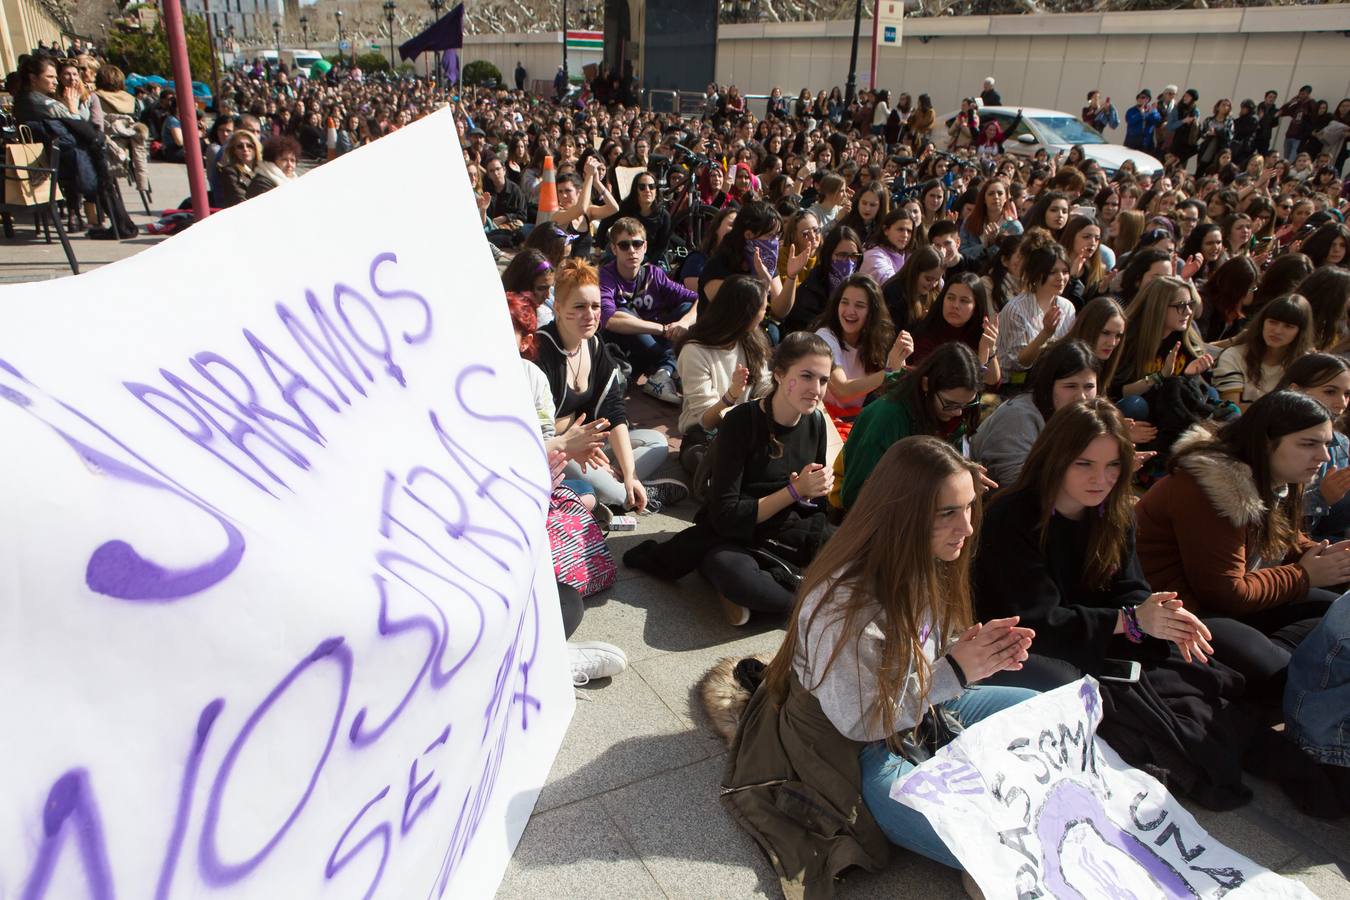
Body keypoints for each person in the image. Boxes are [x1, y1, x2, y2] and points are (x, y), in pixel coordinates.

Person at [721, 437, 1034, 896]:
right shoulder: (844, 601)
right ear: (901, 512)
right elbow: (860, 721)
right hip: (851, 746)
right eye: (947, 512)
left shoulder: (927, 558)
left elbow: (925, 646)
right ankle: (980, 858)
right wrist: (957, 672)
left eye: (969, 507)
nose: (966, 527)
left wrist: (974, 650)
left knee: (1034, 707)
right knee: (981, 834)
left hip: (914, 706)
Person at [976, 399, 1213, 691]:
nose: (1100, 479)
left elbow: (1129, 586)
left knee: (1207, 662)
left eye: (1113, 465)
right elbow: (1037, 620)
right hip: (1028, 653)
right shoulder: (1012, 516)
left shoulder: (1114, 513)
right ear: (1055, 458)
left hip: (1100, 641)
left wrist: (1164, 615)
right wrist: (1129, 620)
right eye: (1084, 464)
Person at [1135, 390, 1350, 701]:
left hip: (1227, 604)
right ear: (1265, 442)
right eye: (1308, 444)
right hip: (1183, 614)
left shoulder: (1273, 472)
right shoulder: (1210, 486)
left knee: (1336, 609)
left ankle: (1273, 656)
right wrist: (1305, 575)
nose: (1324, 457)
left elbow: (1283, 538)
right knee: (1284, 680)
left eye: (1325, 444)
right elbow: (1225, 592)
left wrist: (1327, 557)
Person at [626, 333, 835, 624]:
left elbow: (811, 505)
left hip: (784, 533)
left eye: (823, 380)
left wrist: (814, 491)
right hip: (735, 535)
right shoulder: (742, 422)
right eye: (807, 376)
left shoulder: (814, 422)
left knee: (855, 554)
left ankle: (771, 598)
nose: (816, 389)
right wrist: (794, 491)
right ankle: (805, 601)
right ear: (779, 374)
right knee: (731, 570)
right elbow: (725, 514)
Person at [533, 260, 686, 513]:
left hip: (591, 443)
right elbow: (543, 431)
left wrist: (630, 473)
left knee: (656, 442)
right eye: (579, 306)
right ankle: (633, 495)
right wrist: (580, 448)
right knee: (610, 489)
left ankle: (624, 488)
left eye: (595, 306)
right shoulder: (542, 350)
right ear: (557, 308)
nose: (590, 315)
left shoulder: (593, 344)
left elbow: (613, 410)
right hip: (558, 449)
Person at [838, 342, 983, 511]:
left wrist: (963, 475)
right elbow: (854, 496)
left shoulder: (953, 416)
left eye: (967, 404)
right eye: (950, 404)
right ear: (926, 384)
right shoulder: (886, 418)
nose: (958, 412)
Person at [676, 274, 773, 474]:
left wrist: (784, 388)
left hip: (747, 429)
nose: (766, 312)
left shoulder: (752, 340)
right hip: (706, 436)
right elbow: (706, 420)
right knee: (711, 463)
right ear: (746, 313)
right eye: (763, 308)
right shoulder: (694, 352)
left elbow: (763, 385)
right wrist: (731, 396)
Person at [598, 217, 698, 405]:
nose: (632, 251)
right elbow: (609, 319)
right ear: (614, 249)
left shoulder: (654, 274)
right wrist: (660, 328)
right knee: (624, 314)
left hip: (657, 340)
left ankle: (664, 372)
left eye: (637, 244)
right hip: (629, 342)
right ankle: (669, 368)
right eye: (624, 245)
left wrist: (684, 323)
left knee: (687, 309)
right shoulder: (606, 276)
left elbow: (699, 299)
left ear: (645, 246)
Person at [972, 339, 1099, 488]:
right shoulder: (1018, 416)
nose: (1082, 397)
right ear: (1049, 385)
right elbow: (1016, 484)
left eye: (1089, 386)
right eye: (1070, 386)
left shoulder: (1085, 415)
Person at [814, 274, 911, 437]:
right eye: (844, 302)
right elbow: (842, 390)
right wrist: (889, 371)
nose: (850, 311)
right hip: (823, 420)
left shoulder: (879, 340)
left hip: (855, 420)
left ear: (872, 312)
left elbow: (891, 388)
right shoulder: (824, 337)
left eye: (859, 305)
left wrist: (901, 357)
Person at [1112, 276, 1214, 423]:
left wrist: (1189, 376)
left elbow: (1188, 394)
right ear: (1158, 307)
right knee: (1135, 405)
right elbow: (1119, 392)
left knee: (1212, 393)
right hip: (1141, 410)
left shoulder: (1186, 337)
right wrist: (1160, 376)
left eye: (1190, 304)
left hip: (1172, 408)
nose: (1188, 312)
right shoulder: (1129, 339)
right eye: (1181, 305)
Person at [1280, 354, 1350, 541]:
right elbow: (1269, 521)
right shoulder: (1273, 440)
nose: (1342, 403)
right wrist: (1321, 498)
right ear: (1295, 391)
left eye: (1347, 394)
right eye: (1330, 391)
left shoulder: (1342, 444)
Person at [995, 241, 1076, 387]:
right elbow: (1019, 363)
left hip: (1052, 381)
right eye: (1053, 272)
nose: (1061, 277)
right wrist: (1045, 333)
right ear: (1037, 273)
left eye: (1065, 271)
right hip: (1015, 385)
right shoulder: (1015, 309)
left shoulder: (1067, 307)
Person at [1212, 294, 1313, 409]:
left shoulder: (1306, 367)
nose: (1278, 330)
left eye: (1288, 326)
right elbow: (1232, 409)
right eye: (1273, 322)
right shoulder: (1234, 356)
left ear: (1300, 332)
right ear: (1262, 323)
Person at [909, 273, 1001, 389]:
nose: (955, 305)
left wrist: (990, 349)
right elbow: (948, 387)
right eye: (950, 298)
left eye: (964, 301)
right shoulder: (927, 332)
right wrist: (982, 355)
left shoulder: (979, 333)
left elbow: (993, 384)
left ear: (976, 307)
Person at [783, 225, 864, 335]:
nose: (848, 262)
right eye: (841, 255)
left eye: (854, 256)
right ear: (828, 255)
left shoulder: (862, 287)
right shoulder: (812, 288)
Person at [859, 209, 916, 285]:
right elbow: (891, 284)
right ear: (886, 230)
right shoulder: (874, 255)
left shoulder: (906, 255)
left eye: (909, 231)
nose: (905, 235)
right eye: (900, 229)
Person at [217, 129, 262, 208]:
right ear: (234, 151)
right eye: (240, 146)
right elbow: (240, 200)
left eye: (250, 145)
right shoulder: (229, 172)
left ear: (256, 148)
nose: (245, 149)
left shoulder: (263, 169)